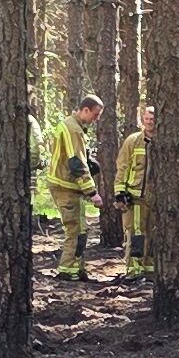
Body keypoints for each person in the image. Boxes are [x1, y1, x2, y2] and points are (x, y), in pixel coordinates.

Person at [40, 94, 104, 281]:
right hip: (65, 187)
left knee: (81, 229)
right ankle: (68, 270)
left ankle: (77, 268)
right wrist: (92, 192)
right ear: (85, 110)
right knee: (75, 230)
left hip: (70, 187)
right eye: (95, 114)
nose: (96, 119)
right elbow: (76, 162)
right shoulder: (73, 129)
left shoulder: (75, 127)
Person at [111, 103, 158, 273]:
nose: (149, 122)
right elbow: (122, 167)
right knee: (136, 233)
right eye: (147, 119)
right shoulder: (133, 141)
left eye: (152, 119)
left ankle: (150, 269)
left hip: (157, 198)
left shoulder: (164, 141)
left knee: (153, 234)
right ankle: (134, 270)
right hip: (136, 196)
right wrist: (120, 192)